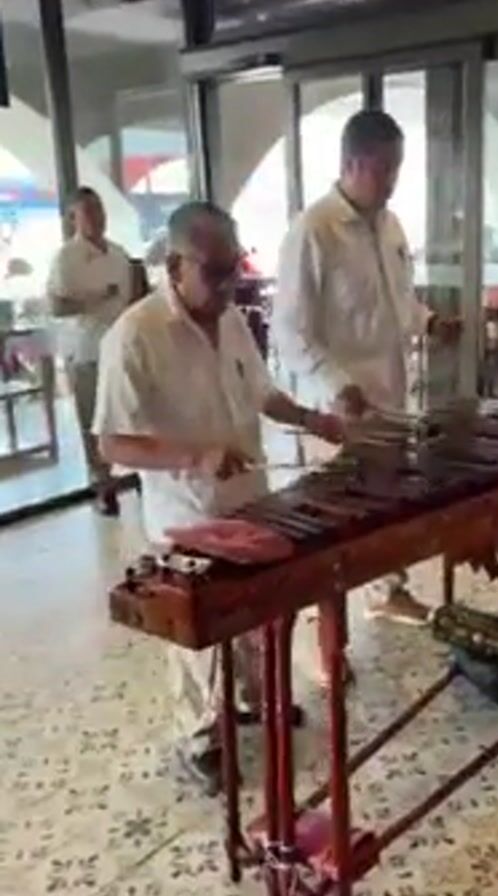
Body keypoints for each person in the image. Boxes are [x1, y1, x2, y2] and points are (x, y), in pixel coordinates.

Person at [93, 201, 345, 796]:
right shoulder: (134, 335)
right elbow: (112, 442)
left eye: (234, 267)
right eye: (216, 271)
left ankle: (257, 701)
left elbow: (262, 394)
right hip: (187, 516)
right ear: (175, 265)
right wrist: (194, 456)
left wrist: (313, 419)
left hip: (249, 499)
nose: (231, 283)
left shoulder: (230, 318)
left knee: (259, 611)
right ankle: (198, 736)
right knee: (199, 635)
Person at [274, 109, 461, 627]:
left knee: (386, 501)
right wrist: (337, 384)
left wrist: (430, 322)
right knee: (336, 519)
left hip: (391, 394)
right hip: (338, 408)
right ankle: (327, 626)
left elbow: (397, 302)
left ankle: (387, 590)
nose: (392, 181)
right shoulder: (313, 231)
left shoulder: (389, 224)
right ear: (353, 163)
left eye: (397, 168)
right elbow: (289, 331)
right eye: (384, 169)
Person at [47, 187, 132, 516]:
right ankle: (103, 487)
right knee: (93, 422)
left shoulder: (119, 254)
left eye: (100, 209)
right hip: (86, 352)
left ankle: (137, 475)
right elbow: (57, 305)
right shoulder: (66, 258)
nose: (98, 217)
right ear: (73, 218)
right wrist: (95, 298)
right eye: (89, 211)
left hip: (122, 348)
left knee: (128, 415)